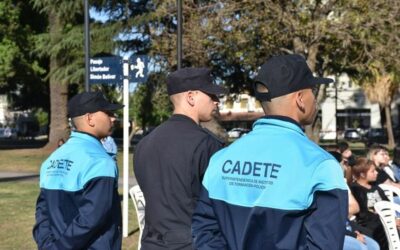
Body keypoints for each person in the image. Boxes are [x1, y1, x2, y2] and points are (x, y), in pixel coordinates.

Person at [192, 54, 348, 249]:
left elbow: (204, 231)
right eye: (312, 91)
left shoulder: (221, 159)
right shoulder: (321, 165)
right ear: (300, 99)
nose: (315, 99)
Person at [134, 67, 227, 249]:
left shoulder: (144, 143)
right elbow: (219, 206)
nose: (217, 101)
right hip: (192, 242)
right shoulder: (207, 145)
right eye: (211, 95)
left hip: (151, 242)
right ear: (191, 97)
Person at [33, 91, 123, 249]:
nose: (113, 118)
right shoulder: (100, 162)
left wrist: (48, 245)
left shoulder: (52, 160)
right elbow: (92, 219)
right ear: (90, 118)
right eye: (108, 113)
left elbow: (42, 213)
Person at [350, 157, 389, 249]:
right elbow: (363, 213)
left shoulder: (375, 187)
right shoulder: (355, 189)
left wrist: (393, 218)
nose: (377, 172)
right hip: (369, 223)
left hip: (384, 219)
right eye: (373, 171)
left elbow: (387, 204)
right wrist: (386, 220)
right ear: (363, 174)